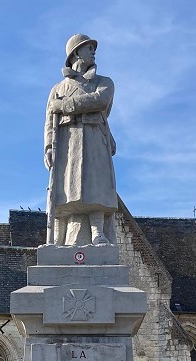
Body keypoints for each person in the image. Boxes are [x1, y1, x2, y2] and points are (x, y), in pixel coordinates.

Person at [45, 34, 117, 246]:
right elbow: (49, 121)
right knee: (65, 190)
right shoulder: (57, 89)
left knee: (95, 184)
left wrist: (66, 106)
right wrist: (48, 147)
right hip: (68, 141)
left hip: (94, 136)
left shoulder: (104, 82)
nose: (94, 51)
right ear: (76, 53)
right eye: (88, 48)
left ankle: (97, 231)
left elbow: (99, 100)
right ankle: (60, 236)